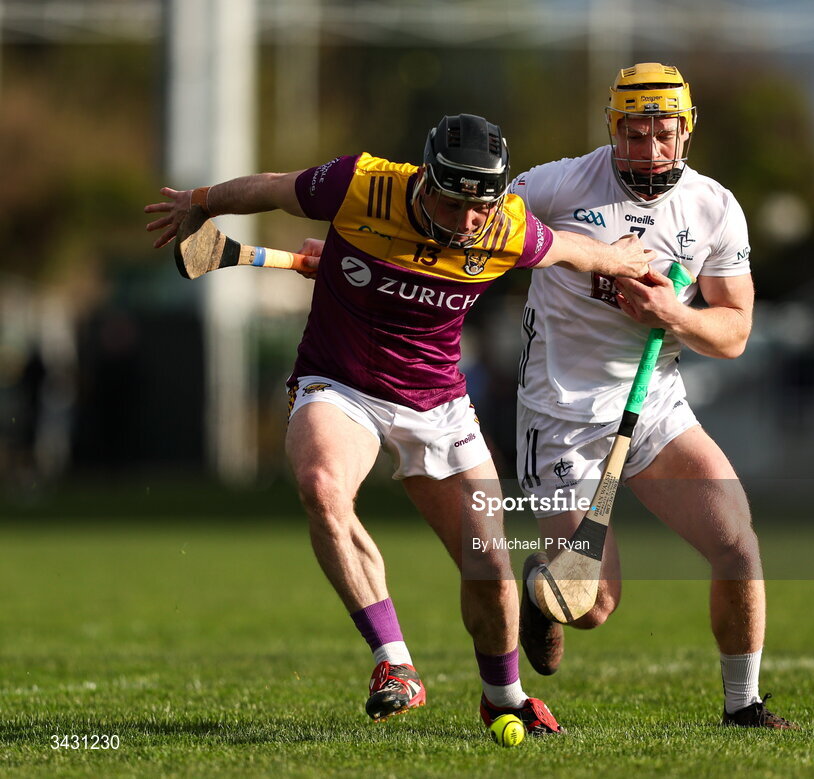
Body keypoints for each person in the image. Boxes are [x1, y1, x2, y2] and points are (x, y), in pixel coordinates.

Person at [144, 113, 653, 734]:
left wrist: (620, 259)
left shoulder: (505, 228)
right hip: (341, 384)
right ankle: (394, 664)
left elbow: (569, 249)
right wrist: (200, 202)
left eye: (482, 207)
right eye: (455, 201)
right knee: (322, 487)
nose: (469, 222)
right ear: (426, 180)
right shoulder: (362, 186)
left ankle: (504, 697)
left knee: (489, 570)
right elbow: (272, 187)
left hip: (438, 403)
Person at [512, 63, 797, 729]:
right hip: (561, 418)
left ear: (686, 131)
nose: (649, 150)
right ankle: (538, 585)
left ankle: (742, 706)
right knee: (594, 605)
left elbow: (732, 332)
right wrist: (588, 253)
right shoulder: (555, 184)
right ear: (612, 128)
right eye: (633, 133)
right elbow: (482, 231)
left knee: (736, 542)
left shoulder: (713, 207)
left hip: (654, 405)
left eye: (663, 134)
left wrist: (675, 317)